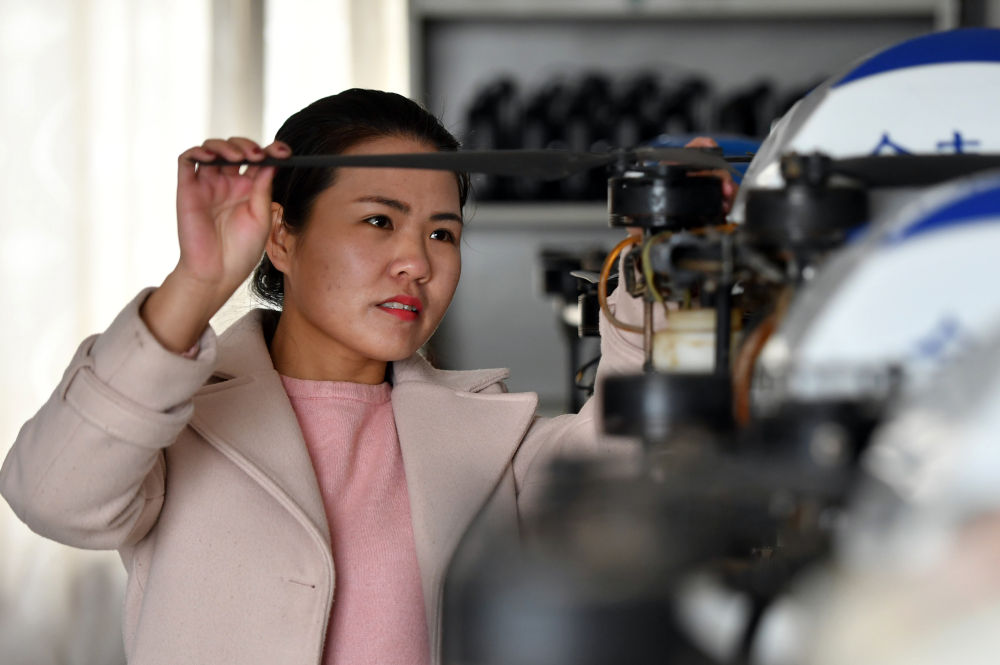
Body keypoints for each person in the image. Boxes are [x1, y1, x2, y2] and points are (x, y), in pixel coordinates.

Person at [0, 88, 730, 665]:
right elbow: (52, 496)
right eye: (380, 221)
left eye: (442, 233)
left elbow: (637, 462)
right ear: (281, 236)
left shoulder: (493, 445)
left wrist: (669, 259)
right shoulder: (175, 420)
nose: (418, 261)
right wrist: (197, 282)